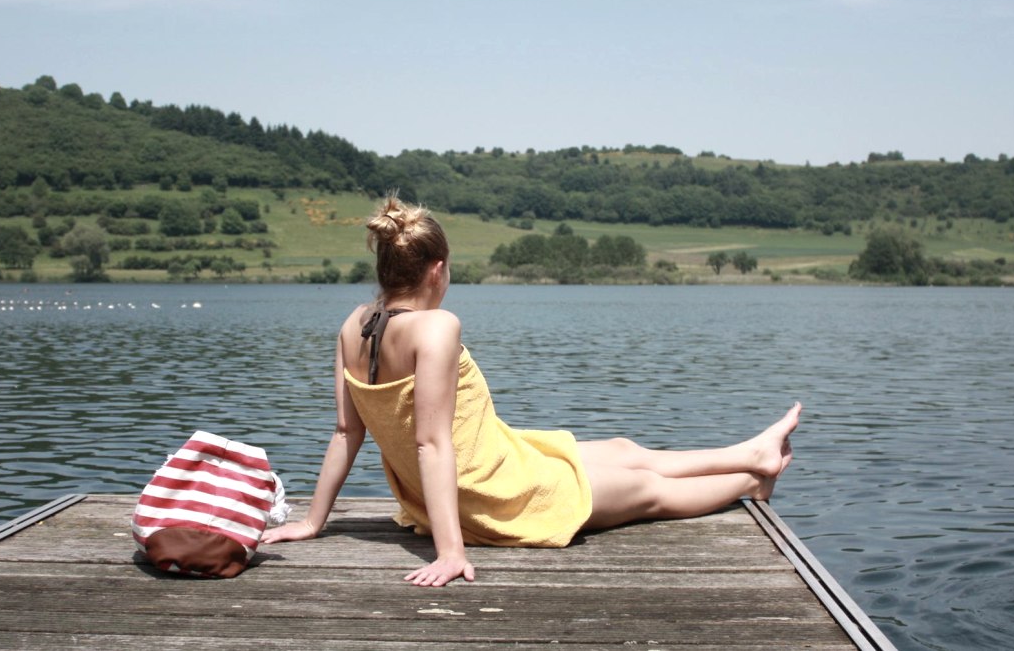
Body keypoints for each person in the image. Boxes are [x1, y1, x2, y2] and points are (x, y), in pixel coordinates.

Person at [262, 194, 800, 587]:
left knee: (624, 451)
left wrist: (314, 522)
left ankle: (751, 453)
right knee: (645, 490)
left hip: (492, 464)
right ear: (438, 271)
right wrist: (451, 551)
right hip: (493, 494)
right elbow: (431, 443)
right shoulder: (435, 328)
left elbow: (344, 433)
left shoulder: (353, 325)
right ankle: (749, 482)